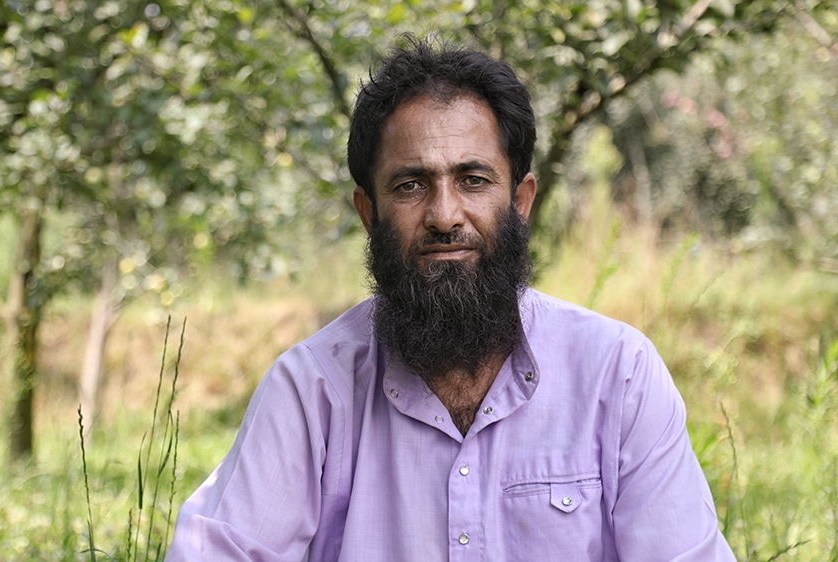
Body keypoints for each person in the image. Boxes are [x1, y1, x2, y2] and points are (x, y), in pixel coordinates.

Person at [166, 38, 735, 561]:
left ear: (520, 200)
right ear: (369, 214)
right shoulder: (312, 393)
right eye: (411, 185)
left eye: (473, 179)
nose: (444, 215)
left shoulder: (617, 375)